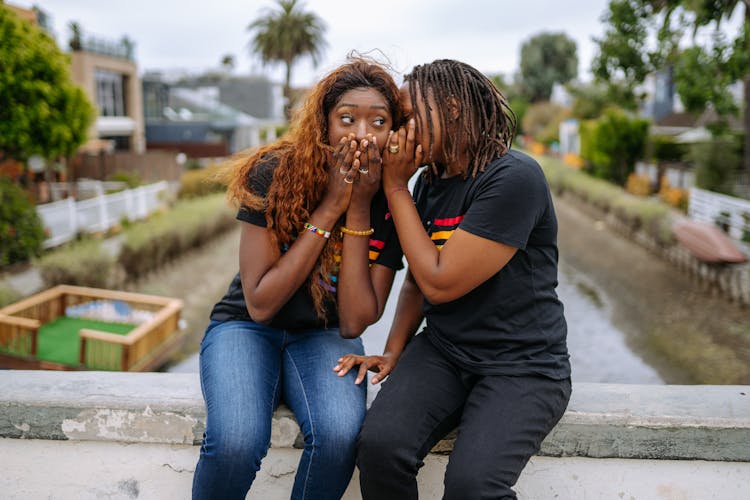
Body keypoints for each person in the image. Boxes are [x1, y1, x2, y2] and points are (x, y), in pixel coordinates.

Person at [334, 59, 572, 499]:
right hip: (445, 352)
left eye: (409, 115)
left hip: (522, 365)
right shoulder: (428, 184)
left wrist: (394, 187)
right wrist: (394, 350)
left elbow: (440, 281)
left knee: (472, 486)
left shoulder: (513, 178)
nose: (402, 129)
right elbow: (415, 282)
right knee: (380, 448)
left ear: (453, 108)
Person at [192, 56, 404, 500]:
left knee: (341, 438)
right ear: (324, 124)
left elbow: (352, 323)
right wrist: (331, 205)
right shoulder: (275, 173)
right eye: (347, 119)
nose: (362, 134)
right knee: (235, 441)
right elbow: (262, 303)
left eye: (378, 122)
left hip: (324, 335)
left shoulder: (392, 199)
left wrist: (359, 206)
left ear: (393, 131)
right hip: (246, 328)